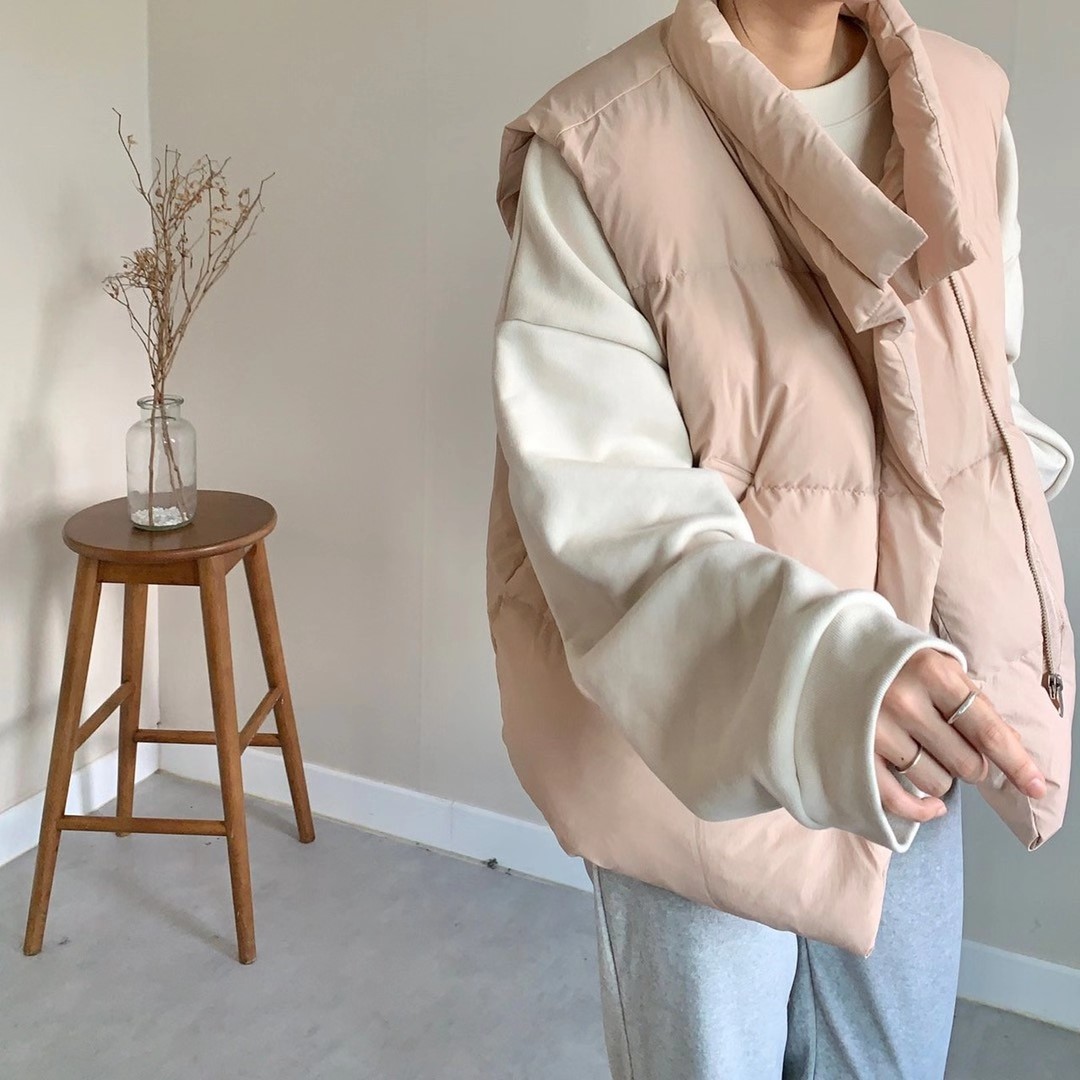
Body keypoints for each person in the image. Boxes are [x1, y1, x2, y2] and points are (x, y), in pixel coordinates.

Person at [485, 1, 1075, 1077]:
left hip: (917, 728)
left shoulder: (964, 100)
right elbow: (606, 515)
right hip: (692, 741)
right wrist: (836, 676)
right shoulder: (600, 141)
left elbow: (983, 391)